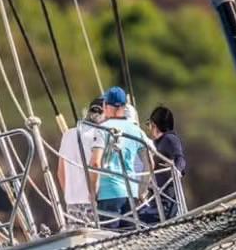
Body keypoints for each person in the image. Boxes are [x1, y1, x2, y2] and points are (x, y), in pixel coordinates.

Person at [95, 86, 152, 227]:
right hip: (131, 194)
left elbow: (95, 163)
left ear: (106, 106)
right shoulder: (136, 130)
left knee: (108, 242)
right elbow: (150, 163)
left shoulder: (102, 129)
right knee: (129, 239)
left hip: (108, 194)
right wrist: (142, 191)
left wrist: (92, 192)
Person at [55, 97, 106, 226]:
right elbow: (95, 164)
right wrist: (93, 193)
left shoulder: (68, 134)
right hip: (91, 199)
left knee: (77, 240)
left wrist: (68, 193)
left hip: (71, 200)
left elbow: (60, 171)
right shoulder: (99, 134)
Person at [143, 105, 187, 221]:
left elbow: (180, 159)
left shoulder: (169, 139)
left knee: (126, 221)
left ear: (155, 125)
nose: (149, 128)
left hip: (165, 206)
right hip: (156, 203)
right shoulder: (157, 143)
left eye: (149, 124)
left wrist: (176, 170)